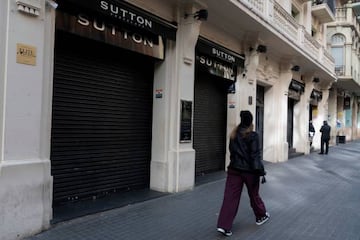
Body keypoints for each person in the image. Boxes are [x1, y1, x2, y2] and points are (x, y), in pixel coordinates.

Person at [217, 110, 269, 237]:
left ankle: (224, 226)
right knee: (254, 195)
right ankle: (261, 216)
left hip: (234, 170)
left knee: (230, 197)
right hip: (250, 172)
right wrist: (261, 171)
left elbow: (231, 152)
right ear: (251, 121)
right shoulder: (253, 135)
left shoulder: (233, 134)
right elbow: (255, 156)